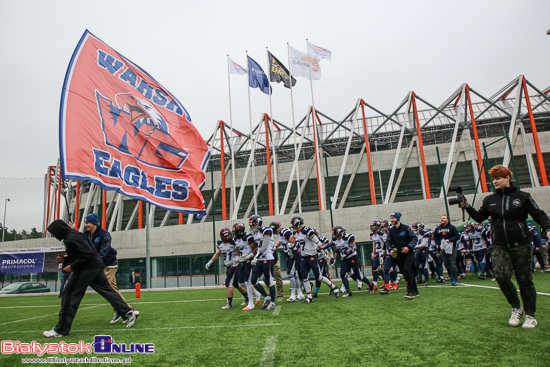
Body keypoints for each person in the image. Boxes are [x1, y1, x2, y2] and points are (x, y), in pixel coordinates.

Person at [462, 165, 550, 328]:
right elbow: (480, 218)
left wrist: (548, 228)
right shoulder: (489, 200)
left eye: (498, 178)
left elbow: (539, 214)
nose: (495, 181)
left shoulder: (523, 196)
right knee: (501, 276)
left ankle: (530, 315)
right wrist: (467, 206)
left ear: (507, 178)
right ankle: (516, 308)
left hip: (522, 245)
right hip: (499, 246)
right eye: (493, 179)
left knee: (524, 280)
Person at [44, 219, 139, 337]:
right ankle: (128, 312)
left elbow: (87, 253)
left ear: (59, 230)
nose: (54, 236)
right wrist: (66, 260)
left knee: (69, 295)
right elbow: (81, 253)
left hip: (86, 269)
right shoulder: (73, 236)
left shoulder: (72, 237)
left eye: (54, 233)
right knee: (107, 290)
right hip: (95, 267)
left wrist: (72, 266)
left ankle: (61, 330)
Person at [74, 213, 133, 324]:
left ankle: (126, 311)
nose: (86, 225)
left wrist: (94, 264)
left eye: (88, 223)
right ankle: (123, 311)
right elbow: (78, 240)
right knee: (111, 290)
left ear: (94, 224)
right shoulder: (86, 234)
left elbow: (104, 252)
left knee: (110, 289)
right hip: (97, 265)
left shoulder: (104, 234)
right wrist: (73, 230)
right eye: (85, 223)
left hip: (109, 264)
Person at [290, 216, 340, 303]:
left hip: (312, 257)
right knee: (305, 277)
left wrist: (324, 254)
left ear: (298, 223)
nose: (292, 225)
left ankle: (334, 287)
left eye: (293, 223)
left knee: (319, 277)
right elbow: (294, 243)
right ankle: (309, 297)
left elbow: (318, 243)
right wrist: (292, 246)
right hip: (303, 258)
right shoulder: (295, 234)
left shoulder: (307, 230)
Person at [205, 227, 248, 309]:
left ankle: (229, 303)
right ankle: (246, 297)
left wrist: (237, 260)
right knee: (235, 283)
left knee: (228, 282)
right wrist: (210, 262)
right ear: (222, 237)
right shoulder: (219, 243)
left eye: (228, 235)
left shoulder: (234, 242)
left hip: (234, 264)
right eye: (225, 236)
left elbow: (239, 252)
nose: (228, 237)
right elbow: (218, 253)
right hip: (228, 265)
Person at [330, 225, 374, 298]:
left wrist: (346, 255)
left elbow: (354, 248)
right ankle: (348, 291)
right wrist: (334, 258)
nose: (334, 236)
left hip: (353, 257)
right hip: (345, 259)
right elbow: (337, 249)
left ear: (340, 233)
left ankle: (370, 285)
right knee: (342, 274)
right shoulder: (336, 240)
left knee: (359, 276)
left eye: (336, 234)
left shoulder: (348, 237)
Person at [386, 212, 419, 299]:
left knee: (408, 269)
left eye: (393, 218)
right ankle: (413, 290)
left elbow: (415, 239)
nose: (392, 220)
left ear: (398, 219)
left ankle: (412, 291)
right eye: (391, 218)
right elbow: (388, 242)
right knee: (405, 272)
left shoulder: (406, 228)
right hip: (399, 254)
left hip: (409, 253)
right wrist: (390, 250)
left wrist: (408, 247)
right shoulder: (391, 231)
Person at [434, 214, 460, 286]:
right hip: (443, 249)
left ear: (447, 219)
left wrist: (450, 240)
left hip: (451, 248)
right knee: (446, 263)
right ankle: (451, 274)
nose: (442, 219)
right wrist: (438, 244)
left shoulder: (452, 228)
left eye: (444, 218)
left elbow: (457, 236)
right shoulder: (438, 229)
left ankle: (454, 279)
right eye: (441, 218)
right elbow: (436, 238)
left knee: (452, 263)